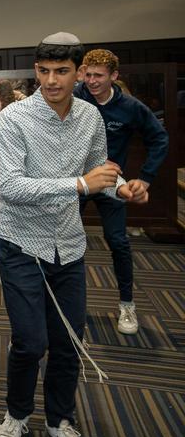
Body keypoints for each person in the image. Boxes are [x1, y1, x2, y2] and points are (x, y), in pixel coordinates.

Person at [0, 32, 133, 437]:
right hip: (19, 242)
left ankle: (60, 422)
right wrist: (79, 185)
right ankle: (16, 415)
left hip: (68, 245)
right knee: (30, 342)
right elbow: (10, 187)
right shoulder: (14, 118)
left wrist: (122, 188)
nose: (51, 80)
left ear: (79, 73)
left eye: (62, 71)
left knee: (69, 341)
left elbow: (98, 172)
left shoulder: (90, 117)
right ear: (36, 71)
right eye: (44, 71)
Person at [74, 49, 168, 335]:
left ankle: (127, 305)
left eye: (99, 76)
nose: (92, 81)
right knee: (65, 243)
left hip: (111, 183)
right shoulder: (75, 97)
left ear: (114, 76)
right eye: (88, 74)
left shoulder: (129, 106)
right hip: (77, 182)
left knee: (118, 242)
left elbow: (159, 139)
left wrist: (146, 179)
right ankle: (67, 306)